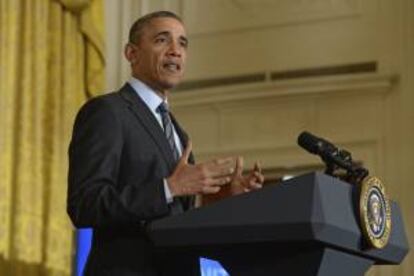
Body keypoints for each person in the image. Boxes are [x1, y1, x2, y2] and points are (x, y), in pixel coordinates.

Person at [67, 11, 264, 276]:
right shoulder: (108, 111)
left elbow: (173, 214)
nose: (175, 51)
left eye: (182, 43)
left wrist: (216, 201)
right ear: (131, 53)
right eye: (162, 40)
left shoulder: (178, 132)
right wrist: (170, 187)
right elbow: (85, 204)